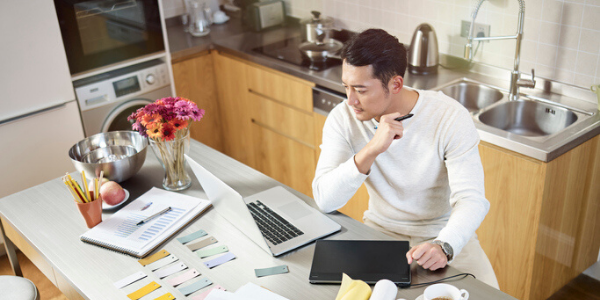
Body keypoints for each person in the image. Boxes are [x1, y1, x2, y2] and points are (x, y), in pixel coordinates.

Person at [312, 28, 499, 289]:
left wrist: (444, 245)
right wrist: (372, 149)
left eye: (361, 90)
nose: (350, 100)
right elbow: (325, 198)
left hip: (445, 236)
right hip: (381, 234)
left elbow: (472, 200)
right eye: (346, 87)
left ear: (396, 84)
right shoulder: (343, 118)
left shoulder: (449, 117)